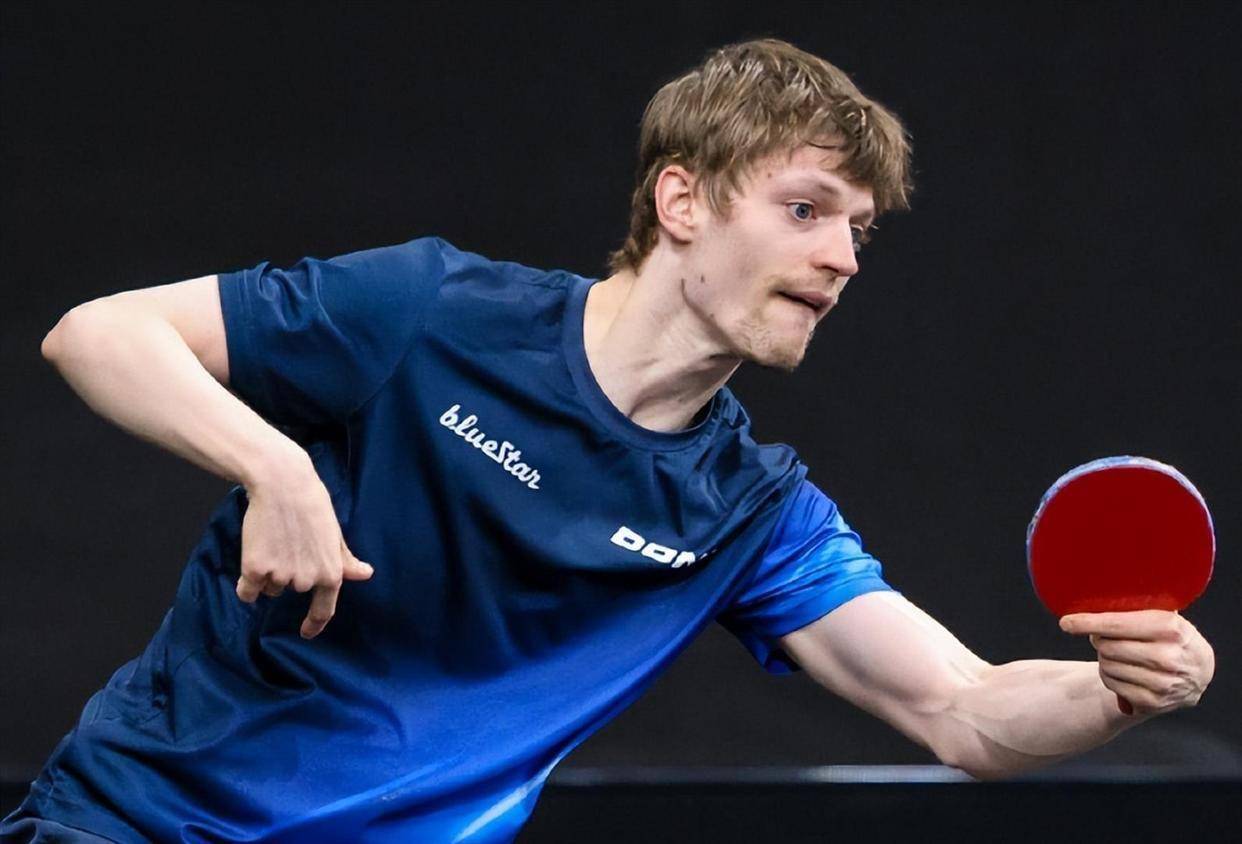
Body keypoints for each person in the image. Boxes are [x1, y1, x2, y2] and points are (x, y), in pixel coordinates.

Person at [4, 37, 1215, 843]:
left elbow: (966, 712)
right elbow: (99, 333)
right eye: (806, 210)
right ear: (682, 201)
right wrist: (271, 464)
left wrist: (1120, 693)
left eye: (858, 232)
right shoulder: (433, 311)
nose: (842, 260)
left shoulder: (751, 511)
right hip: (136, 824)